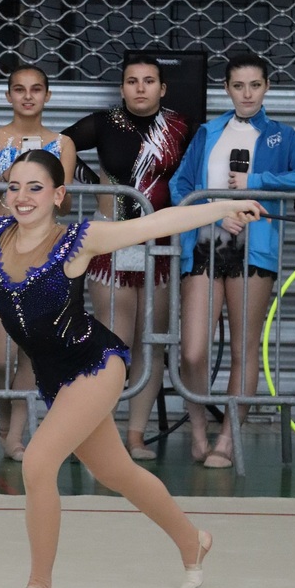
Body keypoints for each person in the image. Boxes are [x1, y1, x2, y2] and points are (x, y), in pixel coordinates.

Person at [0, 149, 264, 588]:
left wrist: (224, 206)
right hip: (54, 378)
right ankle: (193, 541)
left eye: (35, 188)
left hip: (95, 364)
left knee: (37, 463)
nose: (22, 197)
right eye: (14, 187)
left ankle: (40, 584)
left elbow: (157, 223)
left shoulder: (79, 239)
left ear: (58, 195)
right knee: (114, 471)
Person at [169, 54, 295, 468]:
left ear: (267, 87)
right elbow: (180, 184)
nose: (248, 94)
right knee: (192, 350)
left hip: (254, 250)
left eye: (255, 85)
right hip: (205, 246)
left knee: (243, 348)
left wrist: (256, 182)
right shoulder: (208, 132)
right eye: (239, 86)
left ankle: (227, 439)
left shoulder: (280, 135)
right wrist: (214, 210)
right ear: (227, 89)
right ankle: (197, 431)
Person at [63, 54, 190, 460]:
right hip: (113, 242)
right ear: (122, 88)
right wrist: (89, 184)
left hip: (159, 245)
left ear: (162, 88)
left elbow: (192, 177)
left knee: (150, 344)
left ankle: (135, 435)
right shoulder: (104, 123)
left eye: (149, 80)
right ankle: (99, 433)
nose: (140, 87)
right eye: (132, 81)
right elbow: (61, 144)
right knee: (113, 343)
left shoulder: (180, 127)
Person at [0, 64, 76, 460]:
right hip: (1, 252)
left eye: (36, 89)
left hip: (45, 256)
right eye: (19, 89)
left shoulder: (62, 144)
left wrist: (39, 183)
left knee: (31, 349)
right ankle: (5, 410)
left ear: (47, 95)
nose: (28, 96)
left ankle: (15, 434)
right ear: (9, 95)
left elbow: (63, 202)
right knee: (2, 358)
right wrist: (9, 178)